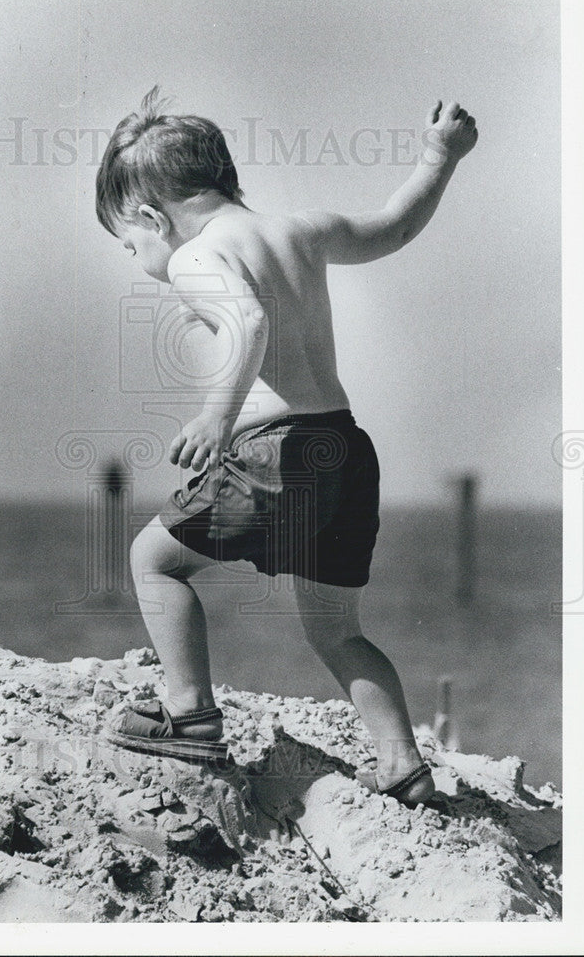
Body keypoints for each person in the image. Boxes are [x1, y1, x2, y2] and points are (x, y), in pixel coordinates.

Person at [95, 87, 477, 805]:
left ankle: (189, 715)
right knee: (337, 629)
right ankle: (402, 763)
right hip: (344, 447)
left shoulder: (195, 257)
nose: (133, 252)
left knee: (152, 558)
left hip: (280, 449)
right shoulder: (300, 228)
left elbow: (244, 322)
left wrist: (216, 417)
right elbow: (391, 229)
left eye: (130, 238)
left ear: (154, 216)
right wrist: (438, 157)